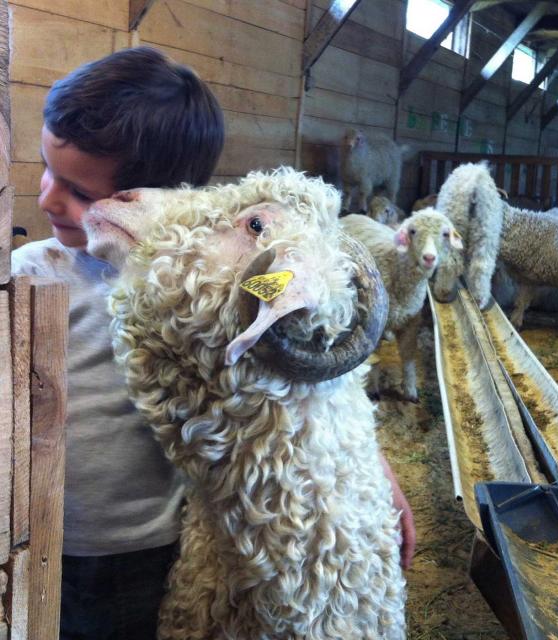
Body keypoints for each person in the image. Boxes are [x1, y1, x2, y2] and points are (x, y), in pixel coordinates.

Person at [11, 45, 414, 639]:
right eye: (48, 170)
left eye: (77, 191)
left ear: (150, 196)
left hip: (157, 543)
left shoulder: (214, 299)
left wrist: (375, 471)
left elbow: (294, 398)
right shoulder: (27, 273)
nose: (47, 198)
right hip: (39, 535)